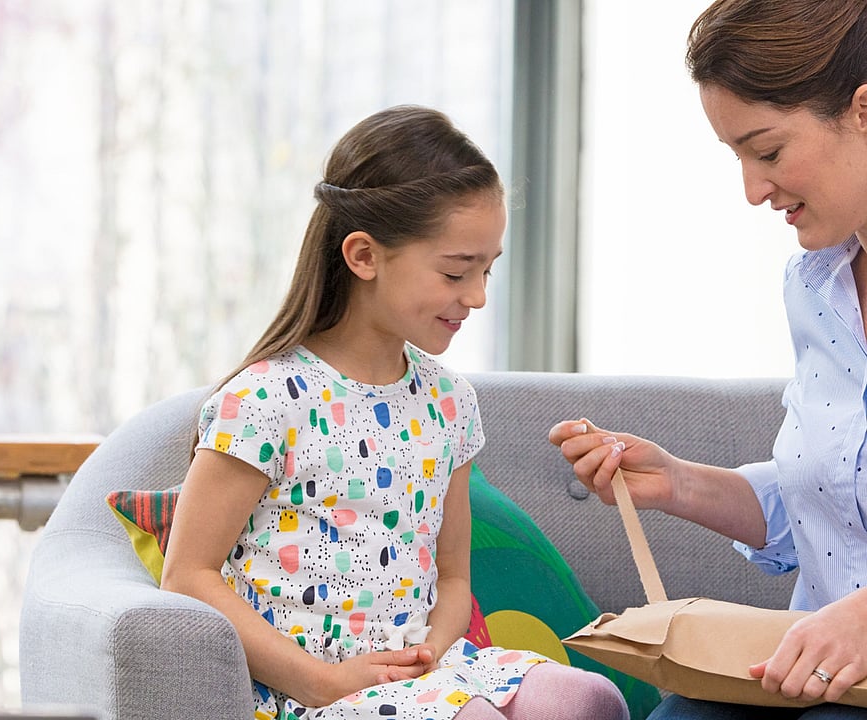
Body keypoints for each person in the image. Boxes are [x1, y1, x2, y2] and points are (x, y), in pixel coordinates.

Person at [160, 105, 629, 720]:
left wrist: (432, 649)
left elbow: (454, 578)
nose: (479, 296)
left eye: (488, 269)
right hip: (315, 688)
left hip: (430, 673)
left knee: (587, 698)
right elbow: (188, 575)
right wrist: (323, 683)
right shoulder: (266, 400)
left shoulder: (450, 402)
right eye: (457, 271)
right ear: (363, 256)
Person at [550, 0, 867, 718]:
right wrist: (678, 484)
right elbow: (832, 506)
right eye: (738, 159)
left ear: (862, 111)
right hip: (805, 677)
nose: (753, 191)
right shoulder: (813, 289)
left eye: (768, 151)